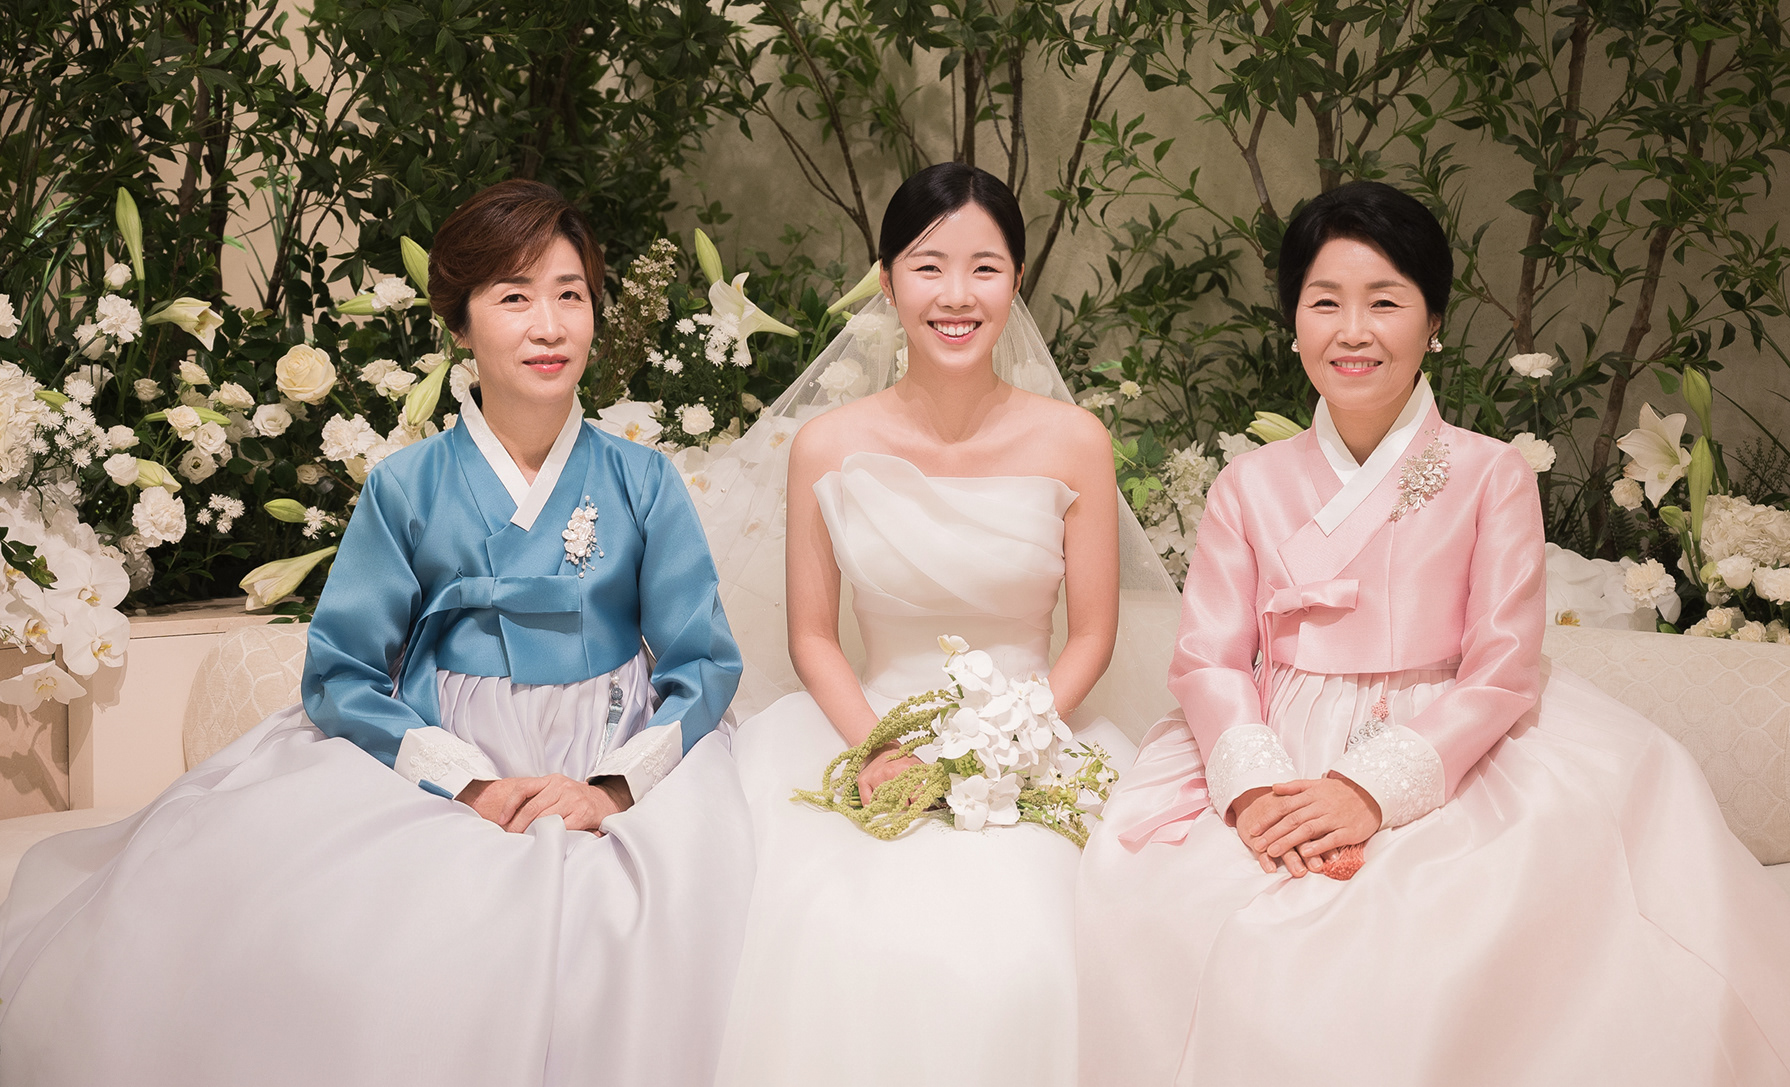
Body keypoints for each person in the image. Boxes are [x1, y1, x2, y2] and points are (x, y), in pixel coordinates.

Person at [1075, 180, 1790, 1086]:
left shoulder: (1490, 472)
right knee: (1159, 897)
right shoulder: (1247, 484)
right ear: (1292, 323)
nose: (1353, 330)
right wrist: (1257, 792)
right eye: (1325, 302)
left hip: (1449, 736)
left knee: (1454, 925)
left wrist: (1367, 790)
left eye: (1385, 302)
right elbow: (1209, 659)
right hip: (1274, 738)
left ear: (1434, 322)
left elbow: (1500, 667)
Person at [0, 180, 753, 1087]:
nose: (549, 325)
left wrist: (613, 788)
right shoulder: (407, 485)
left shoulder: (643, 480)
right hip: (448, 758)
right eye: (514, 297)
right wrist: (467, 782)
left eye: (570, 294)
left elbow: (703, 659)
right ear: (461, 324)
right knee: (343, 938)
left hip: (608, 750)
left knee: (665, 927)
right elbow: (342, 672)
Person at [705, 162, 1177, 1087]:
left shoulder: (1075, 439)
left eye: (984, 268)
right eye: (928, 266)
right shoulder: (826, 445)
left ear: (1017, 282)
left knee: (1040, 937)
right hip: (867, 723)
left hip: (1037, 729)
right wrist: (881, 749)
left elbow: (1091, 636)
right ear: (887, 281)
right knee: (828, 921)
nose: (956, 295)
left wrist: (1012, 739)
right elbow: (812, 636)